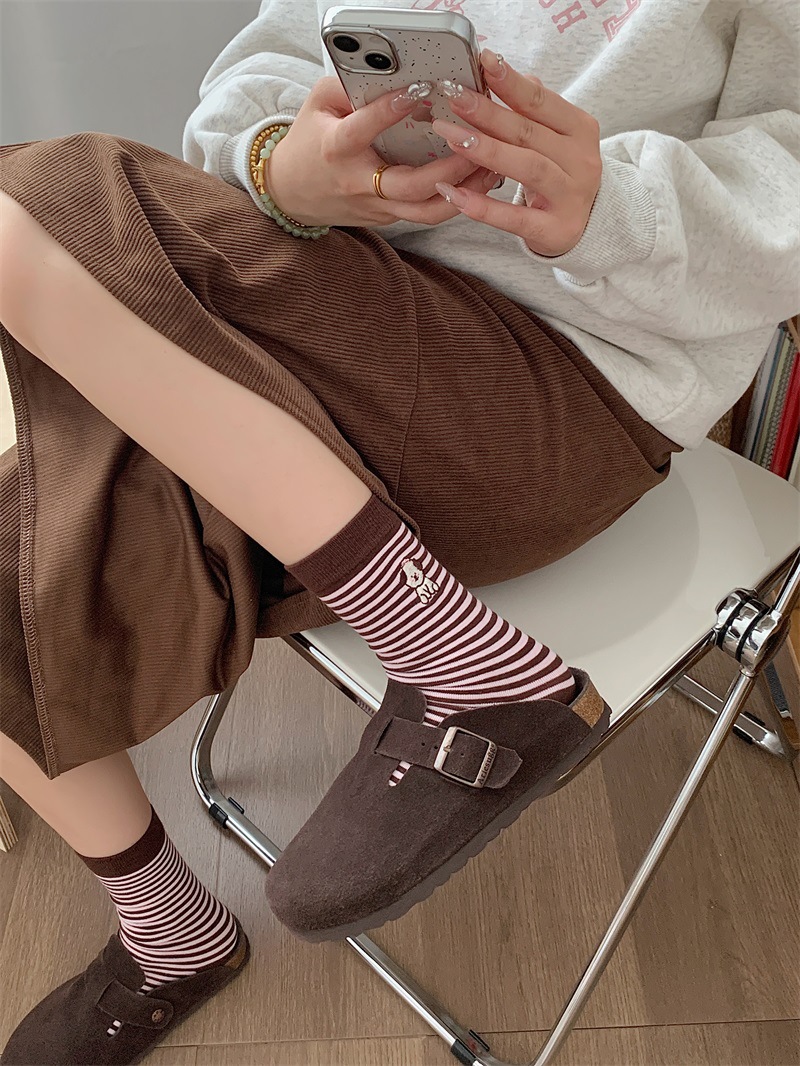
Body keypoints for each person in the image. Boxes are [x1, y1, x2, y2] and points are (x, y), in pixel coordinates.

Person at [0, 0, 797, 1061]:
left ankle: (450, 648)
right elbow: (257, 83)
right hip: (326, 331)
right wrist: (287, 169)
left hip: (562, 388)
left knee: (43, 195)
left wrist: (614, 205)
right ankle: (170, 934)